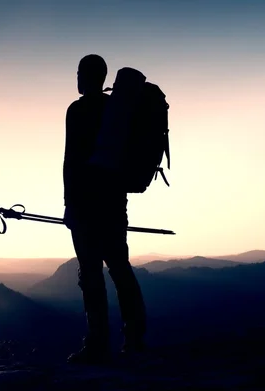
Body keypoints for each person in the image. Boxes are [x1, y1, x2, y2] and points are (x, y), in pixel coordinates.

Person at [63, 54, 147, 365]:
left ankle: (97, 344)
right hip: (114, 203)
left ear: (88, 76)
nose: (76, 79)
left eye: (78, 73)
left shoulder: (78, 110)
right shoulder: (118, 109)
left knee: (91, 275)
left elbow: (71, 161)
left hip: (85, 204)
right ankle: (135, 339)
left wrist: (69, 204)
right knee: (120, 269)